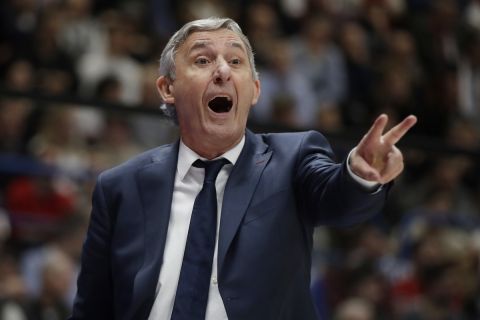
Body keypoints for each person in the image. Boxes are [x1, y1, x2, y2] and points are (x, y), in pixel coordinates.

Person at [69, 17, 417, 320]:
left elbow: (338, 199)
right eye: (203, 59)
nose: (222, 70)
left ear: (254, 90)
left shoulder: (293, 157)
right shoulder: (120, 186)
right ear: (167, 88)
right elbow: (92, 310)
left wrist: (357, 174)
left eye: (235, 61)